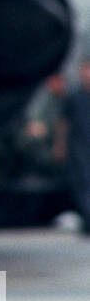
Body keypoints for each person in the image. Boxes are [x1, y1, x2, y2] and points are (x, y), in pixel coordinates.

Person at [62, 60, 90, 232]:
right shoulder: (74, 96)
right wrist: (60, 147)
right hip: (79, 145)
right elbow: (63, 124)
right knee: (83, 182)